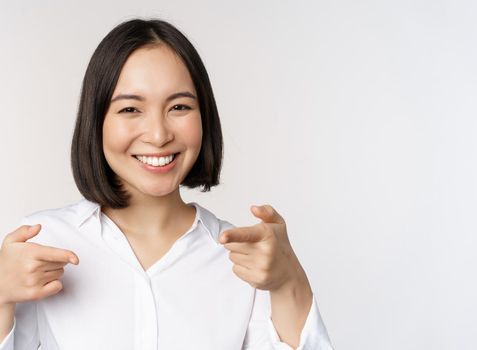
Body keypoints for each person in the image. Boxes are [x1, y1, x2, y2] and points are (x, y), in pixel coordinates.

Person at [0, 18, 332, 350]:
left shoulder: (243, 262)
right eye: (130, 108)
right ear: (96, 120)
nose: (159, 135)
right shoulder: (41, 245)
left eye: (179, 107)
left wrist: (291, 281)